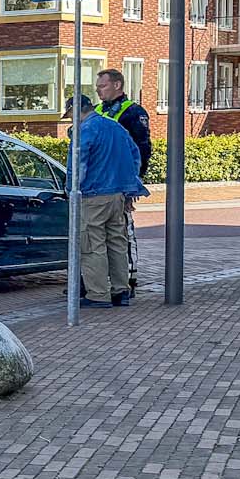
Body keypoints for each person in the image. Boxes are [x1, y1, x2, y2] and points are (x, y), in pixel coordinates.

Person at [71, 94, 147, 307]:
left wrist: (72, 190)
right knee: (117, 243)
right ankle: (121, 291)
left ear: (76, 111)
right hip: (118, 196)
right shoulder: (116, 128)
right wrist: (130, 189)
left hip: (93, 195)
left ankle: (97, 294)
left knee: (92, 244)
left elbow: (78, 164)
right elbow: (135, 157)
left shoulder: (85, 130)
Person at [94, 68, 153, 287]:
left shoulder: (132, 112)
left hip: (120, 184)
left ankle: (129, 277)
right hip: (100, 184)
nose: (99, 91)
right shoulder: (98, 111)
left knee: (123, 232)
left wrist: (132, 186)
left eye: (103, 86)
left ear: (117, 85)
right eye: (98, 87)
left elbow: (142, 150)